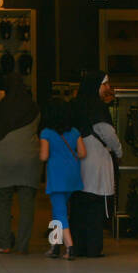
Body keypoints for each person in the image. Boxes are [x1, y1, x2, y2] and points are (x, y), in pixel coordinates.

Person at [0, 74, 42, 254]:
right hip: (29, 160)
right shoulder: (34, 109)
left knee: (3, 203)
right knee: (26, 205)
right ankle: (22, 246)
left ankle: (3, 244)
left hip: (4, 160)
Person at [70, 70, 122, 258]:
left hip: (76, 160)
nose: (108, 88)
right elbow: (108, 134)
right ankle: (92, 247)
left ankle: (77, 246)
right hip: (95, 161)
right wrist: (119, 151)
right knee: (94, 206)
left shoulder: (75, 105)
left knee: (78, 205)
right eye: (105, 84)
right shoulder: (98, 108)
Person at [39, 99, 85, 260]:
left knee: (60, 212)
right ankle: (55, 246)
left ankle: (70, 247)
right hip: (72, 176)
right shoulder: (74, 132)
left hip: (57, 177)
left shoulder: (46, 133)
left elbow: (44, 156)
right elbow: (82, 153)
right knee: (58, 209)